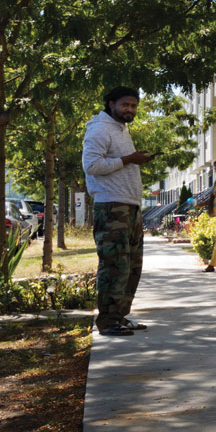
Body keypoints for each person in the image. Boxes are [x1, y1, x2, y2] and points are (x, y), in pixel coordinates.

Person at [82, 88, 147, 338]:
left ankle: (119, 316)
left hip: (130, 207)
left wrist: (131, 159)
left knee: (131, 266)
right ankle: (107, 321)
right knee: (114, 266)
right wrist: (130, 159)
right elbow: (92, 165)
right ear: (111, 104)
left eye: (133, 105)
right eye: (125, 105)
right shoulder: (99, 129)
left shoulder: (121, 129)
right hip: (111, 207)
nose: (129, 109)